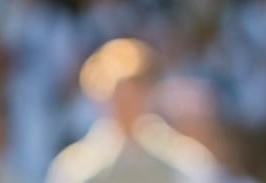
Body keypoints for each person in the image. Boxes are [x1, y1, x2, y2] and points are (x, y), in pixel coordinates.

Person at [44, 37, 218, 183]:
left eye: (134, 93)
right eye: (117, 96)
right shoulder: (77, 166)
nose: (126, 104)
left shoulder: (181, 160)